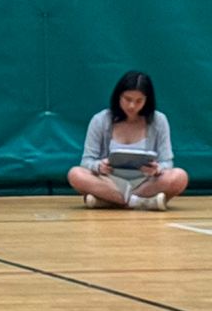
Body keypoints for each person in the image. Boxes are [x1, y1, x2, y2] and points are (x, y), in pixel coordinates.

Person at [68, 71, 189, 211]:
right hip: (108, 181)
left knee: (180, 176)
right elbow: (86, 161)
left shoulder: (159, 120)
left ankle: (111, 201)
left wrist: (157, 169)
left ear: (147, 100)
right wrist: (99, 166)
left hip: (146, 182)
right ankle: (139, 202)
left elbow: (167, 162)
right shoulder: (100, 120)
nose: (132, 106)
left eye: (139, 101)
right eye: (127, 99)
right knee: (75, 174)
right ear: (118, 96)